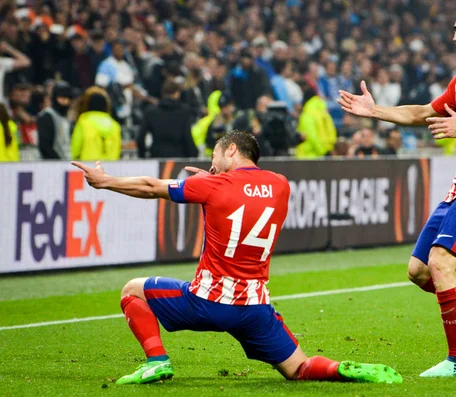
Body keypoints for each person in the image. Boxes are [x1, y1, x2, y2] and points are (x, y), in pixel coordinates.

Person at [71, 130, 403, 385]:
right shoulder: (281, 184)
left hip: (207, 302)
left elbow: (149, 186)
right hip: (255, 309)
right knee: (298, 368)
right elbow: (243, 196)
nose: (212, 164)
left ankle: (157, 361)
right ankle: (339, 369)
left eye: (215, 156)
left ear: (231, 149)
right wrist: (215, 178)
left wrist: (105, 181)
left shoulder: (212, 186)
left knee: (132, 290)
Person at [338, 5, 456, 377]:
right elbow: (422, 113)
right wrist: (375, 111)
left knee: (442, 263)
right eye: (455, 29)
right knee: (421, 271)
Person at [137, 80, 198, 159]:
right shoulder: (184, 111)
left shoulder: (151, 111)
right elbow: (187, 136)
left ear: (163, 93)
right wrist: (193, 154)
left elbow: (141, 136)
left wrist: (142, 155)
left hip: (157, 155)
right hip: (179, 156)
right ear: (177, 93)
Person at [71, 86, 121, 160]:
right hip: (110, 169)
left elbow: (75, 149)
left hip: (89, 167)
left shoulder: (83, 122)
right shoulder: (115, 125)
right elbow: (117, 151)